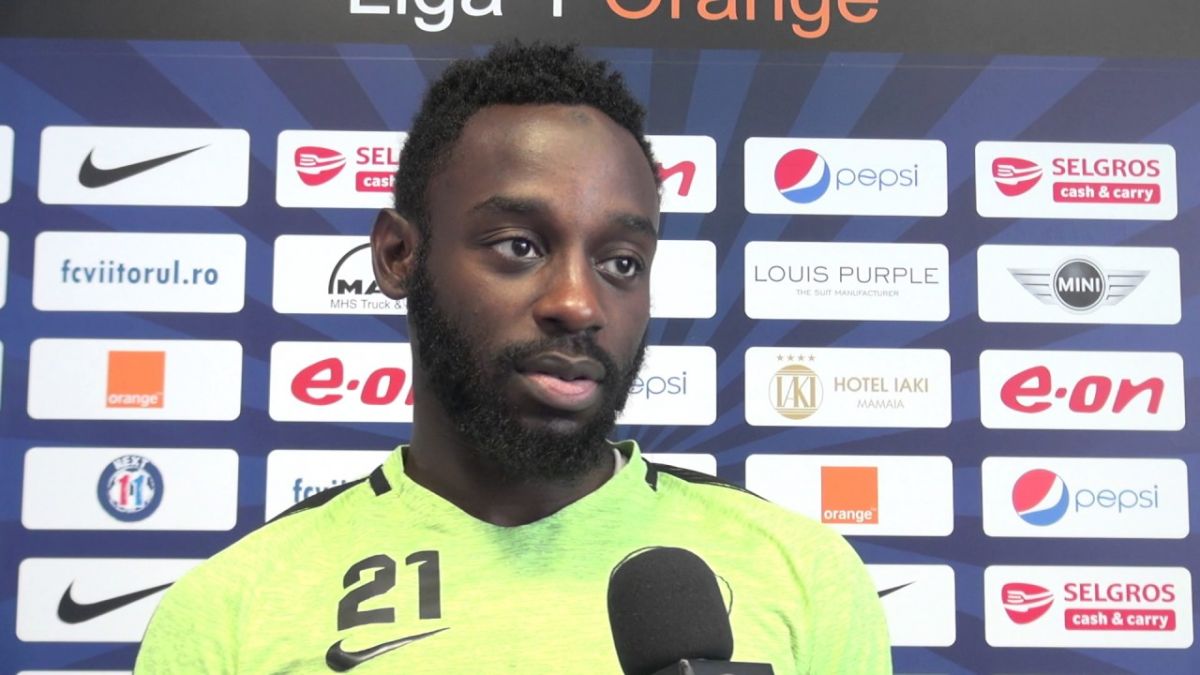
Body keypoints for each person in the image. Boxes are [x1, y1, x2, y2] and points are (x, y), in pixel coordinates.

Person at [135, 41, 891, 674]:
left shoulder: (801, 571)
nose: (579, 303)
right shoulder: (233, 609)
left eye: (621, 262)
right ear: (398, 255)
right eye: (520, 246)